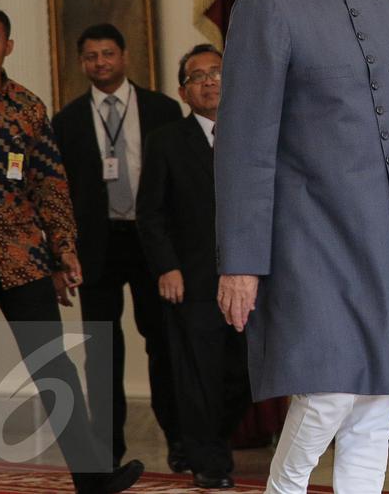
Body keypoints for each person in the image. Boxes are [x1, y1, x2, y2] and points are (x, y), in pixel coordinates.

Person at [214, 0, 389, 494]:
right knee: (331, 390)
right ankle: (284, 488)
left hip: (385, 238)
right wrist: (241, 260)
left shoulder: (388, 6)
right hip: (309, 237)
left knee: (379, 399)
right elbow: (243, 145)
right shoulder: (265, 5)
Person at [0, 4, 144, 494]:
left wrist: (65, 251)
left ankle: (93, 477)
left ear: (8, 45)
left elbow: (50, 185)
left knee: (55, 366)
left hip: (21, 256)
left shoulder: (29, 107)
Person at [52, 23, 183, 470]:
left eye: (108, 54)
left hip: (153, 245)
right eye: (91, 56)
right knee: (101, 350)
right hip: (97, 250)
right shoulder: (66, 121)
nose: (100, 63)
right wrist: (60, 254)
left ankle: (180, 442)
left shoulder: (162, 110)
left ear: (124, 57)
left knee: (164, 343)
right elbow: (59, 194)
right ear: (82, 62)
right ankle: (105, 452)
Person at [136, 44, 249, 490]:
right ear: (184, 92)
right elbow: (151, 213)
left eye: (216, 72)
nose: (208, 82)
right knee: (198, 374)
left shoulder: (252, 133)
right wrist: (167, 267)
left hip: (251, 278)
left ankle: (210, 438)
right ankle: (210, 462)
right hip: (193, 279)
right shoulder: (166, 141)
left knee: (241, 376)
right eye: (197, 76)